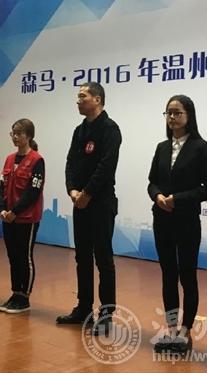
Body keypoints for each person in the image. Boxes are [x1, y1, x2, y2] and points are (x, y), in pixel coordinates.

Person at [147, 95, 207, 355]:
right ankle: (171, 328)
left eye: (178, 112)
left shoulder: (201, 147)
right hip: (162, 218)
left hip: (186, 219)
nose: (172, 117)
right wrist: (157, 196)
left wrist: (178, 199)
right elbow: (152, 181)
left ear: (189, 116)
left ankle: (186, 332)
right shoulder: (162, 147)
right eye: (169, 112)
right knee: (168, 274)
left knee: (187, 275)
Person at [56, 82, 122, 336]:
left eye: (82, 96)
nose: (78, 100)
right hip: (79, 202)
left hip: (101, 203)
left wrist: (87, 193)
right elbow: (70, 162)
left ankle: (106, 315)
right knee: (82, 257)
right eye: (78, 96)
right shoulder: (79, 130)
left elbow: (106, 166)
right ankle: (84, 308)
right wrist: (72, 190)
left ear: (97, 99)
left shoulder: (110, 129)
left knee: (103, 259)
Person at [0, 118, 45, 314]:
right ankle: (15, 293)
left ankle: (25, 297)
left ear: (29, 136)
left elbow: (33, 191)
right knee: (13, 256)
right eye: (13, 133)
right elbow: (2, 185)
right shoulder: (9, 159)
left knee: (25, 257)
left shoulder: (37, 160)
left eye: (19, 133)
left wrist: (15, 211)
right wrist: (1, 208)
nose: (15, 137)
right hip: (8, 217)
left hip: (26, 218)